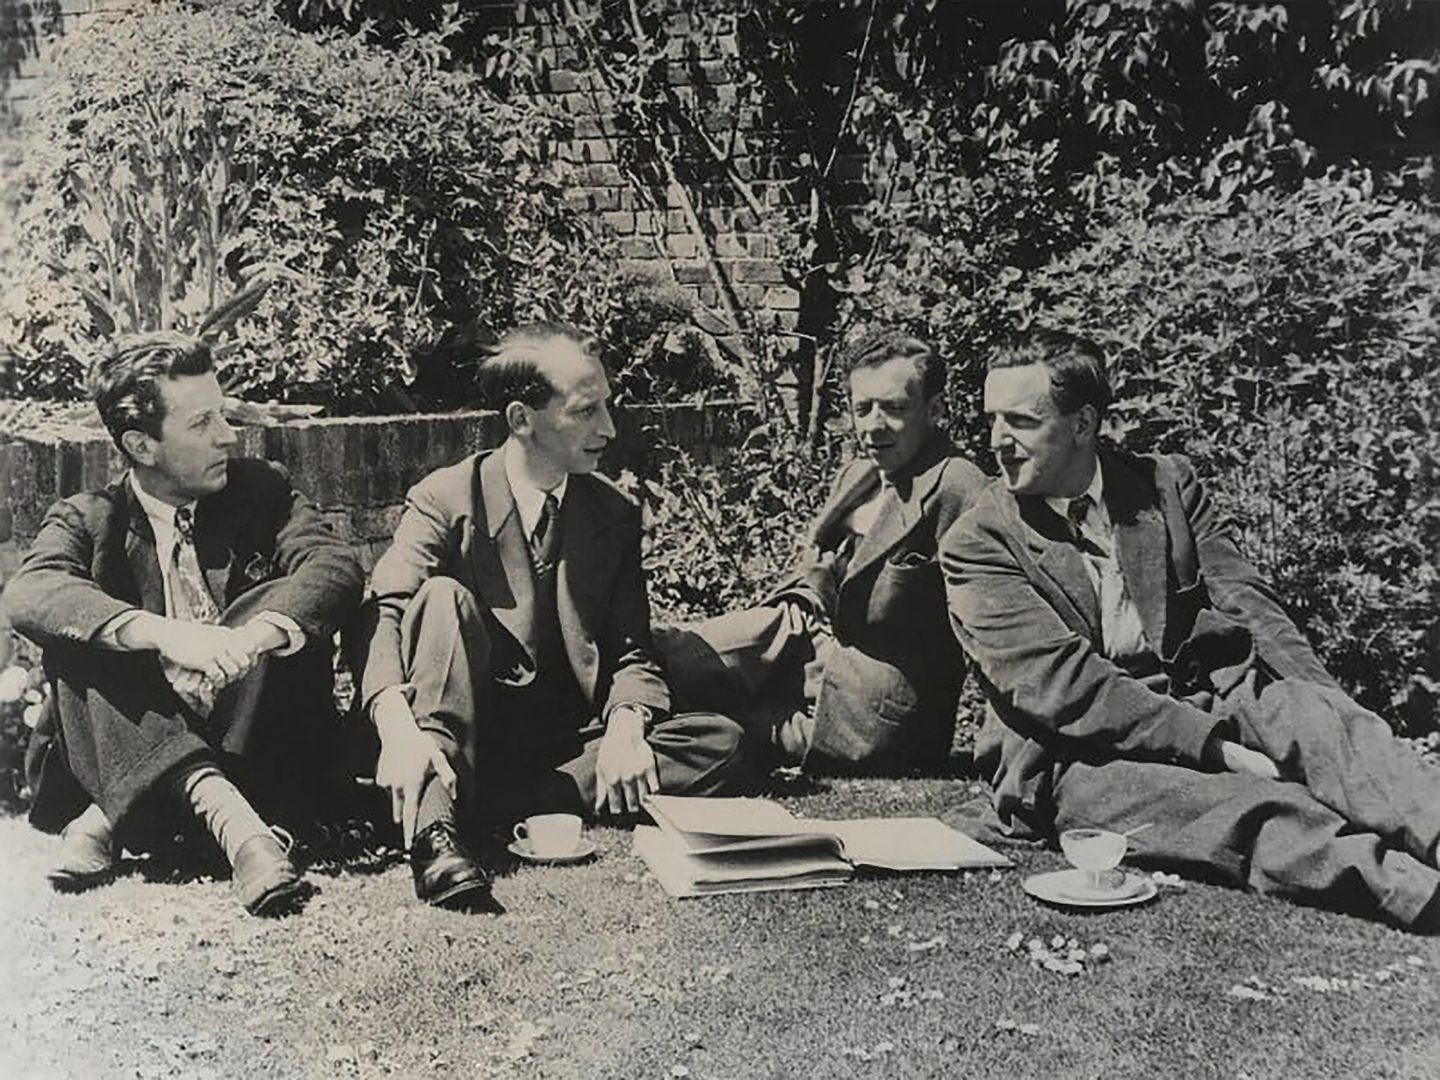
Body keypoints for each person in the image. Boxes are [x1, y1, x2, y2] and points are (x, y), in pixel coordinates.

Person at [942, 327, 1440, 929]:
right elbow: (1063, 687)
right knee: (1256, 807)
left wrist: (1322, 702)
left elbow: (1249, 602)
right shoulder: (978, 541)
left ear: (1083, 424)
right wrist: (1220, 749)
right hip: (1075, 753)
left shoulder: (1165, 485)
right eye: (993, 419)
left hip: (1211, 691)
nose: (998, 441)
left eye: (1020, 421)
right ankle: (1414, 894)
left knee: (1335, 728)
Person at [352, 322, 745, 910]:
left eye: (607, 407)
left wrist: (625, 727)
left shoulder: (611, 512)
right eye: (585, 412)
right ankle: (435, 834)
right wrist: (398, 731)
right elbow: (383, 613)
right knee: (440, 600)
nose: (609, 429)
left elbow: (632, 651)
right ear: (521, 420)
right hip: (460, 727)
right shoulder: (447, 498)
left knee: (720, 740)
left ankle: (481, 803)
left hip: (560, 747)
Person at [4, 332, 365, 915]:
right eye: (202, 424)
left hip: (247, 747)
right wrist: (166, 635)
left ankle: (109, 818)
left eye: (223, 414)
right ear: (142, 446)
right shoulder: (90, 519)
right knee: (87, 631)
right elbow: (31, 593)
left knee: (272, 601)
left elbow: (333, 565)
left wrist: (248, 639)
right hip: (164, 743)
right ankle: (240, 831)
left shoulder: (260, 491)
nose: (228, 434)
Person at [658, 329, 987, 774]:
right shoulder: (859, 472)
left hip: (875, 712)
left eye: (894, 408)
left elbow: (990, 626)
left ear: (935, 411)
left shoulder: (959, 487)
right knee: (671, 655)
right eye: (862, 408)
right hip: (806, 648)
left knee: (715, 723)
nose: (873, 425)